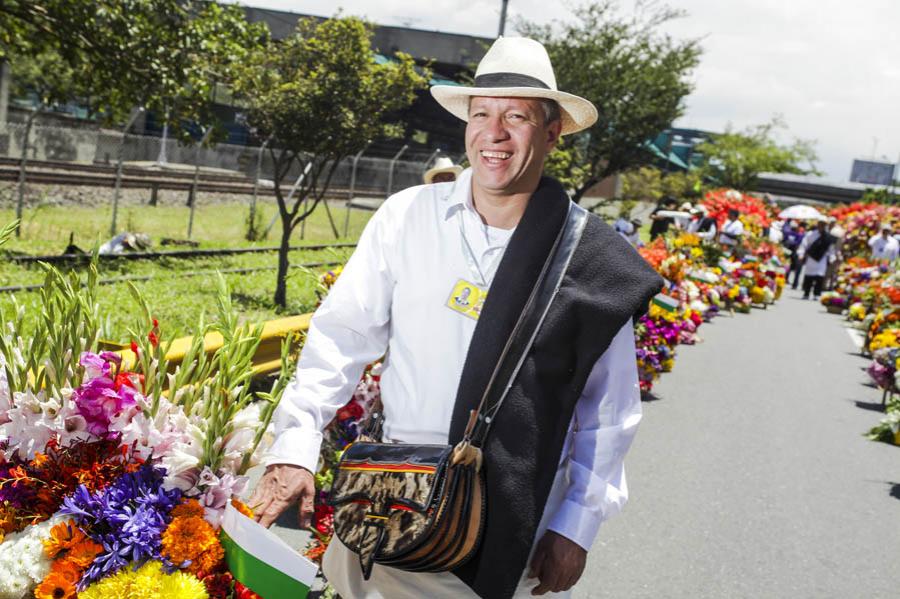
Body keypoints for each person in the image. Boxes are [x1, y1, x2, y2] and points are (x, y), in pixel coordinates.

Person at [249, 36, 662, 599]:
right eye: (481, 114)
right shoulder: (408, 216)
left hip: (503, 525)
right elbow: (340, 338)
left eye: (516, 117)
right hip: (386, 504)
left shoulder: (590, 259)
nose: (493, 134)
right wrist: (295, 445)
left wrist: (577, 525)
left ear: (552, 131)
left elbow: (608, 410)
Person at [797, 219, 836, 299]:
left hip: (822, 259)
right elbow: (804, 244)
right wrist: (801, 254)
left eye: (823, 224)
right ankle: (806, 293)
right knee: (809, 276)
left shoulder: (828, 237)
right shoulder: (811, 234)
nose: (821, 226)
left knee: (819, 276)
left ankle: (816, 294)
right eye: (820, 224)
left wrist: (832, 258)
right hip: (811, 258)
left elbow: (831, 249)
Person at [781, 219, 805, 289]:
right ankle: (785, 279)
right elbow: (784, 241)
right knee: (787, 267)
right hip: (788, 252)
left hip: (796, 253)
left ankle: (795, 283)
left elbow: (798, 242)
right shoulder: (789, 233)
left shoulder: (800, 235)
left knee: (797, 269)